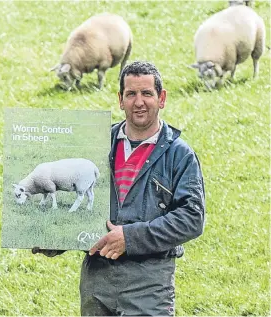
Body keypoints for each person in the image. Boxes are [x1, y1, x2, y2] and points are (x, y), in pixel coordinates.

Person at [33, 61, 205, 316]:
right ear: (120, 100)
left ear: (162, 98)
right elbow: (83, 208)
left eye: (147, 93)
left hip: (149, 280)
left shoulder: (179, 155)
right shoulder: (96, 145)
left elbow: (192, 219)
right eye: (131, 94)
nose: (139, 102)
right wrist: (53, 238)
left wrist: (132, 238)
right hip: (97, 279)